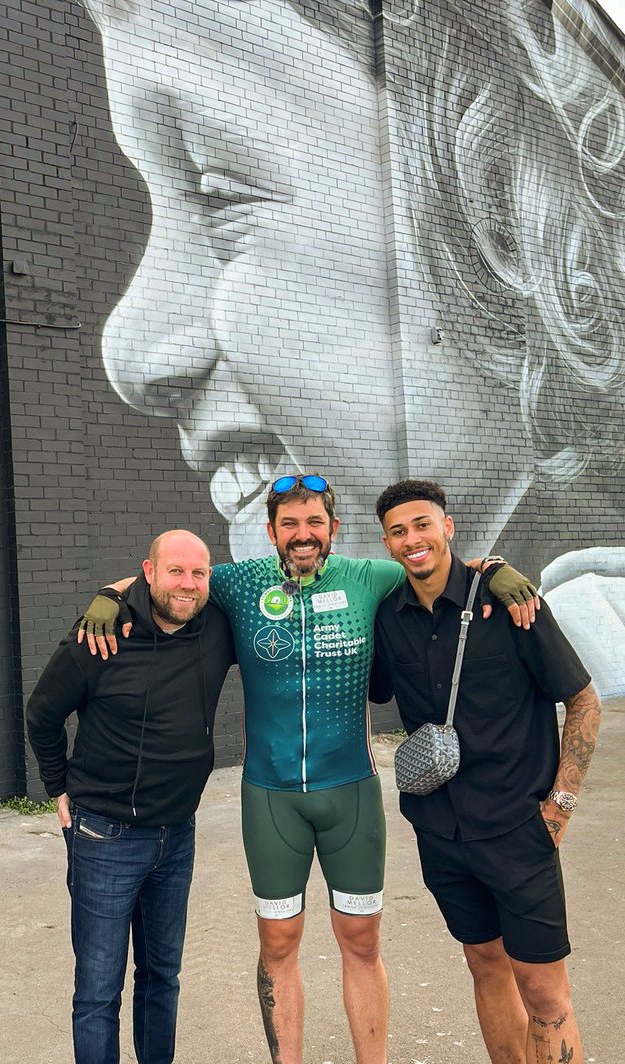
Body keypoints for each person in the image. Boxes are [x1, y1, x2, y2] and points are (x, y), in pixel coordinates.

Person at [78, 0, 625, 696]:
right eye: (295, 526)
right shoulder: (287, 596)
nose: (132, 353)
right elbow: (187, 582)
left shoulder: (592, 628)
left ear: (505, 203)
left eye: (219, 194)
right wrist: (116, 596)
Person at [78, 474, 538, 1064]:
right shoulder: (239, 583)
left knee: (362, 941)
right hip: (270, 799)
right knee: (278, 943)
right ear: (271, 532)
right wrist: (110, 594)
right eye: (289, 524)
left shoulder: (368, 578)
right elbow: (173, 581)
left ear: (333, 529)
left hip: (349, 791)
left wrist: (494, 567)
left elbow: (436, 565)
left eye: (314, 523)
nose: (303, 535)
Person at [369, 479, 601, 1063]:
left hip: (517, 826)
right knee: (485, 965)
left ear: (447, 525)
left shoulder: (509, 602)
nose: (412, 539)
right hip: (441, 831)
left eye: (423, 524)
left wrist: (560, 806)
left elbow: (584, 701)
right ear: (387, 544)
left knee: (545, 989)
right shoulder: (389, 616)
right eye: (398, 531)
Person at [26, 530, 237, 1064]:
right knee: (99, 990)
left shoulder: (215, 625)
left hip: (178, 834)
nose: (188, 584)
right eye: (175, 572)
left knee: (162, 977)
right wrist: (59, 788)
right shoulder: (101, 633)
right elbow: (43, 714)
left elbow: (283, 578)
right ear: (149, 571)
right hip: (105, 837)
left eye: (199, 573)